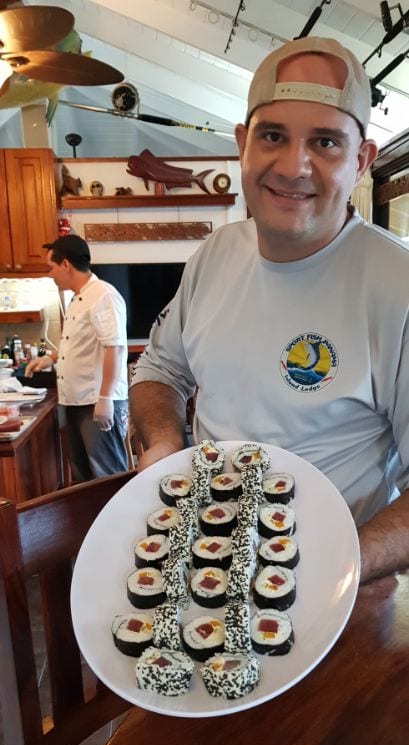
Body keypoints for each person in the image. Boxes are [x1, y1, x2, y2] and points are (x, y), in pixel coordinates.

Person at [129, 36, 409, 584]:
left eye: (325, 142)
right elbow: (161, 371)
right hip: (204, 568)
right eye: (273, 136)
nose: (294, 166)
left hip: (342, 595)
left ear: (362, 160)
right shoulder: (215, 254)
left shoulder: (396, 285)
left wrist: (332, 571)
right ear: (243, 144)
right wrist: (164, 443)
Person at [26, 234, 129, 482]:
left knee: (107, 476)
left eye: (51, 267)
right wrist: (50, 358)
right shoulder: (77, 297)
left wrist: (105, 399)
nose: (50, 274)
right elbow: (77, 343)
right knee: (82, 477)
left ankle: (115, 521)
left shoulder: (103, 294)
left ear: (65, 265)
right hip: (75, 400)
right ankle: (89, 522)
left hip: (96, 402)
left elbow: (113, 348)